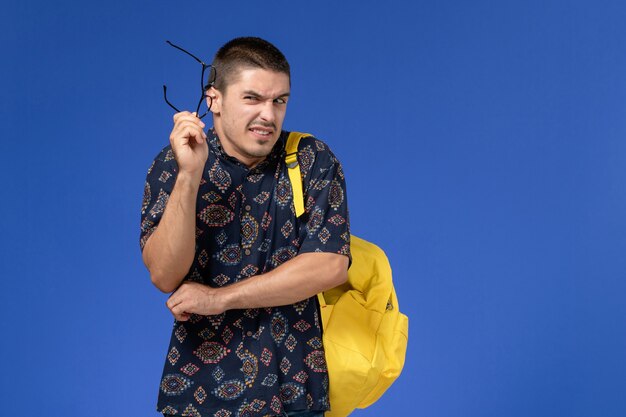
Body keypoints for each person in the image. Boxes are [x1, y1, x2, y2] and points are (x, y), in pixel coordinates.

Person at [140, 37, 351, 417]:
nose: (269, 115)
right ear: (213, 100)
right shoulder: (174, 162)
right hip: (199, 391)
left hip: (295, 389)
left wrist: (218, 299)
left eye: (279, 100)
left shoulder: (311, 159)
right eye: (252, 98)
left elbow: (330, 264)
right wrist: (189, 175)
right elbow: (164, 274)